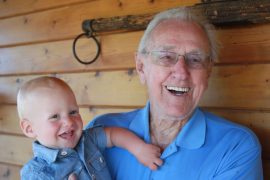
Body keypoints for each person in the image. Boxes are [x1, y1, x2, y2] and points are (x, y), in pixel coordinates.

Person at [87, 7, 263, 179]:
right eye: (166, 56)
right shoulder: (100, 131)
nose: (181, 72)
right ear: (141, 67)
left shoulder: (234, 147)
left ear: (208, 72)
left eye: (195, 59)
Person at [17, 76, 162, 180]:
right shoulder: (36, 173)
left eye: (73, 112)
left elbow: (112, 135)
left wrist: (138, 149)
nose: (69, 121)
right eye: (55, 116)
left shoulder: (87, 139)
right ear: (29, 128)